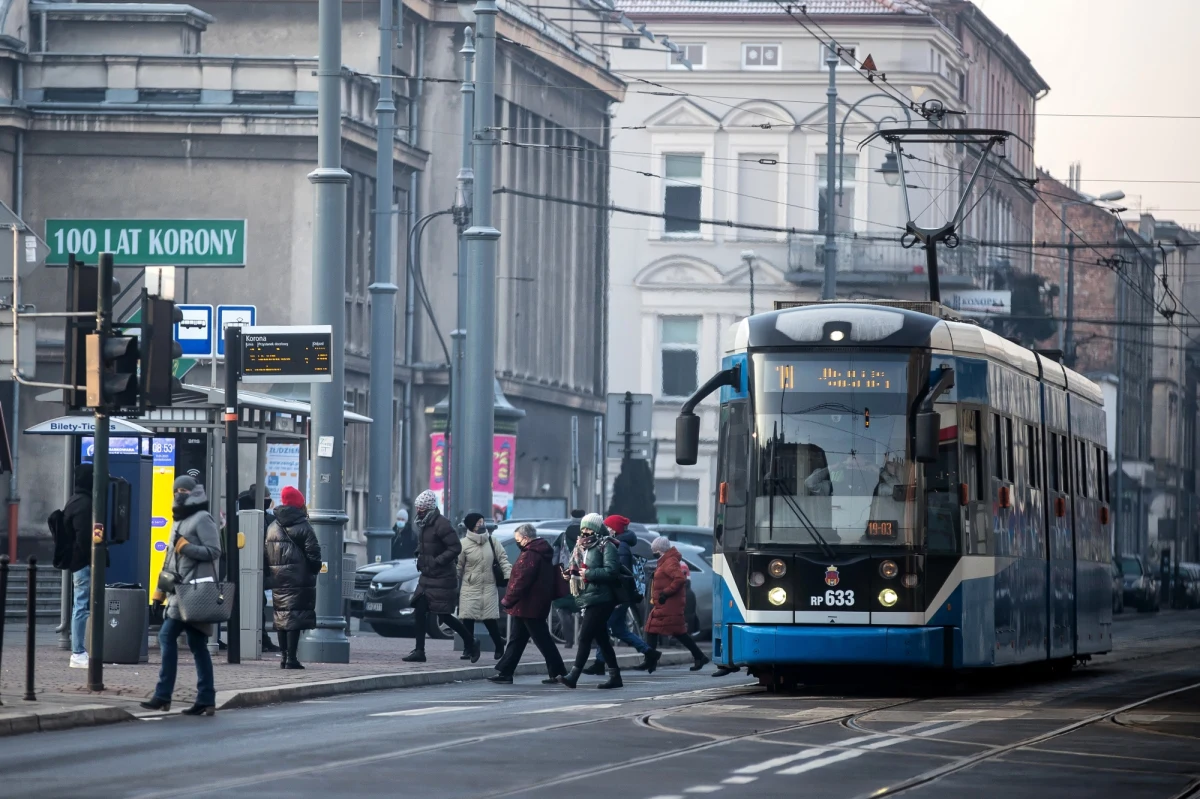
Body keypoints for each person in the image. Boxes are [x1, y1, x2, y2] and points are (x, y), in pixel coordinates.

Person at [141, 476, 221, 716]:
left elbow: (215, 551)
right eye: (176, 490)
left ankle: (163, 695)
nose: (179, 494)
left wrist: (186, 547)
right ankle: (206, 698)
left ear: (194, 492)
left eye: (184, 490)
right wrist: (159, 592)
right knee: (197, 645)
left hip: (194, 592)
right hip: (178, 592)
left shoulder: (202, 518)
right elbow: (169, 560)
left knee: (167, 636)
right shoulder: (177, 521)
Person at [403, 490, 479, 663]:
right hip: (427, 576)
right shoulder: (424, 523)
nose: (418, 511)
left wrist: (437, 561)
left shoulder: (441, 524)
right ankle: (419, 651)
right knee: (420, 611)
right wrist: (420, 553)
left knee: (443, 615)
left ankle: (471, 641)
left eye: (421, 508)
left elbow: (455, 548)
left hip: (442, 577)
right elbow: (427, 545)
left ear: (429, 507)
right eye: (417, 508)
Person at [489, 524, 567, 685]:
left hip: (528, 605)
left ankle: (559, 672)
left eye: (518, 539)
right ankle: (506, 672)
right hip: (532, 604)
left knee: (542, 640)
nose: (517, 542)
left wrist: (508, 599)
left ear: (525, 538)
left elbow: (520, 580)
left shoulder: (530, 554)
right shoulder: (540, 551)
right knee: (517, 639)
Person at [583, 515, 659, 676]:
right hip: (619, 595)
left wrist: (618, 598)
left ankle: (600, 663)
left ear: (614, 529)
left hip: (617, 596)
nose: (605, 529)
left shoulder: (620, 547)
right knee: (618, 629)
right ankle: (649, 652)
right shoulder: (619, 544)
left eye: (608, 527)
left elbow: (621, 574)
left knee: (603, 626)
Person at [561, 513, 622, 689]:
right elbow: (576, 567)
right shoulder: (581, 546)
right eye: (583, 529)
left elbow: (612, 571)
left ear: (596, 529)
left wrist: (588, 574)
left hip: (603, 598)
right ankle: (615, 676)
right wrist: (569, 574)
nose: (585, 532)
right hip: (587, 597)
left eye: (589, 529)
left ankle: (573, 676)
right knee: (602, 639)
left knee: (585, 636)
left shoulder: (606, 545)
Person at [265, 486, 322, 670]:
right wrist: (314, 569)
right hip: (299, 580)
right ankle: (291, 658)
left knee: (282, 616)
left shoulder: (272, 526)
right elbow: (314, 555)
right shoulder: (304, 526)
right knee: (294, 618)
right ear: (299, 504)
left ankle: (283, 657)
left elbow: (266, 554)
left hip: (278, 578)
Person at [642, 537, 710, 671]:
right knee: (673, 632)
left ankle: (650, 660)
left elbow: (679, 579)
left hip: (669, 604)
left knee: (653, 629)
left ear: (659, 550)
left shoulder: (670, 561)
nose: (652, 552)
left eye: (653, 549)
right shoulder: (665, 561)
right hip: (667, 604)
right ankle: (699, 656)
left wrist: (665, 593)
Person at [456, 512, 511, 659]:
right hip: (470, 586)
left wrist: (508, 576)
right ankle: (468, 649)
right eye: (478, 522)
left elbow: (503, 560)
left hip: (489, 586)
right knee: (468, 619)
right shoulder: (463, 544)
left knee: (490, 620)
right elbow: (458, 567)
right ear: (471, 526)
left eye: (482, 521)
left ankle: (499, 646)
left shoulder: (493, 541)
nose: (482, 525)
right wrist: (455, 581)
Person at [238, 487, 281, 653]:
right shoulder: (264, 519)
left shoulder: (240, 513)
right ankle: (260, 639)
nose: (269, 501)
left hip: (249, 568)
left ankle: (260, 638)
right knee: (257, 604)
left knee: (256, 603)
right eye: (267, 497)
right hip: (258, 568)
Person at [62, 464, 94, 669]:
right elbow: (84, 537)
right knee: (81, 605)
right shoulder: (85, 503)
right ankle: (78, 652)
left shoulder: (74, 500)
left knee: (81, 605)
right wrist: (92, 558)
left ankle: (80, 650)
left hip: (77, 561)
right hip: (83, 562)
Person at [551, 509, 585, 648]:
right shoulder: (589, 537)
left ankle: (569, 641)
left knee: (563, 610)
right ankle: (585, 637)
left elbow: (555, 560)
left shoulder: (562, 537)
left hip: (565, 579)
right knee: (587, 609)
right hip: (583, 577)